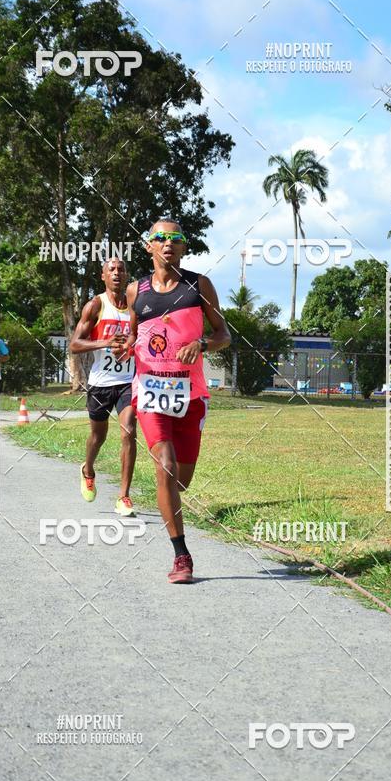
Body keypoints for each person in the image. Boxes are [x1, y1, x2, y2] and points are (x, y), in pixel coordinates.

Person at [113, 219, 231, 583]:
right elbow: (135, 334)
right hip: (149, 392)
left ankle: (170, 503)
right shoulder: (136, 291)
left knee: (179, 482)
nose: (168, 243)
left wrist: (204, 344)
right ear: (149, 247)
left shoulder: (199, 286)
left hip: (190, 396)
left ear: (183, 248)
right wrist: (127, 347)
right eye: (160, 238)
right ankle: (182, 555)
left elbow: (223, 333)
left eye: (175, 238)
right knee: (164, 466)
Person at [69, 258, 137, 516]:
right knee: (98, 437)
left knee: (128, 431)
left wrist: (130, 349)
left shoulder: (135, 308)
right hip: (100, 383)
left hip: (128, 382)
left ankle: (124, 496)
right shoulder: (96, 305)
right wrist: (105, 343)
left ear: (126, 275)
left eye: (121, 270)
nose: (117, 273)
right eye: (112, 270)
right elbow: (75, 345)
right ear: (103, 276)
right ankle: (88, 470)